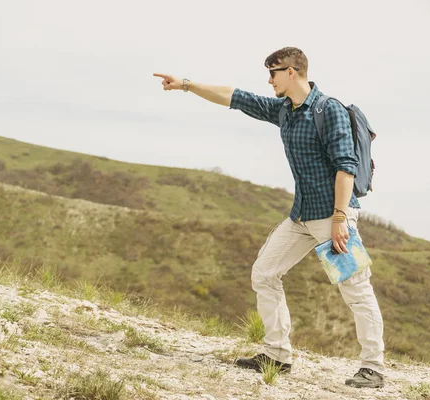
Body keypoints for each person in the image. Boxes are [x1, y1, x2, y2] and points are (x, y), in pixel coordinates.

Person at [153, 47, 385, 388]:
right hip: (302, 216)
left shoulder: (328, 109)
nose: (269, 79)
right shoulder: (284, 110)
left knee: (355, 288)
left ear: (291, 72)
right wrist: (186, 85)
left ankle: (373, 367)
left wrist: (339, 218)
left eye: (273, 72)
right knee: (264, 273)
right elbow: (236, 97)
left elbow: (345, 167)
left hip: (333, 217)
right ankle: (277, 353)